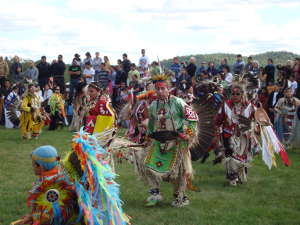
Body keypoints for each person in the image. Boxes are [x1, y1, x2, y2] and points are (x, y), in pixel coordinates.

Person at [143, 74, 198, 207]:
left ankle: (180, 196)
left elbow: (193, 118)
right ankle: (155, 193)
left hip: (176, 141)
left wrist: (187, 134)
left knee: (177, 172)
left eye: (163, 89)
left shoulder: (178, 102)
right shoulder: (154, 105)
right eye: (158, 89)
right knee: (148, 165)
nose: (160, 92)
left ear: (169, 89)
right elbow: (151, 123)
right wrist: (148, 136)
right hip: (159, 140)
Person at [12, 145, 78, 225]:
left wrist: (33, 218)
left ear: (41, 167)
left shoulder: (50, 187)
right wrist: (31, 216)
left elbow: (47, 216)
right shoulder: (59, 174)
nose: (32, 167)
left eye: (33, 164)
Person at [216, 85, 256, 186]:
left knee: (243, 155)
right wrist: (217, 126)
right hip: (228, 135)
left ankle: (241, 174)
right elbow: (219, 119)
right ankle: (232, 177)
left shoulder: (249, 106)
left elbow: (256, 118)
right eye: (233, 94)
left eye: (237, 94)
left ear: (242, 94)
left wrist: (256, 126)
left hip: (244, 136)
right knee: (230, 156)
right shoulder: (226, 105)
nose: (235, 96)